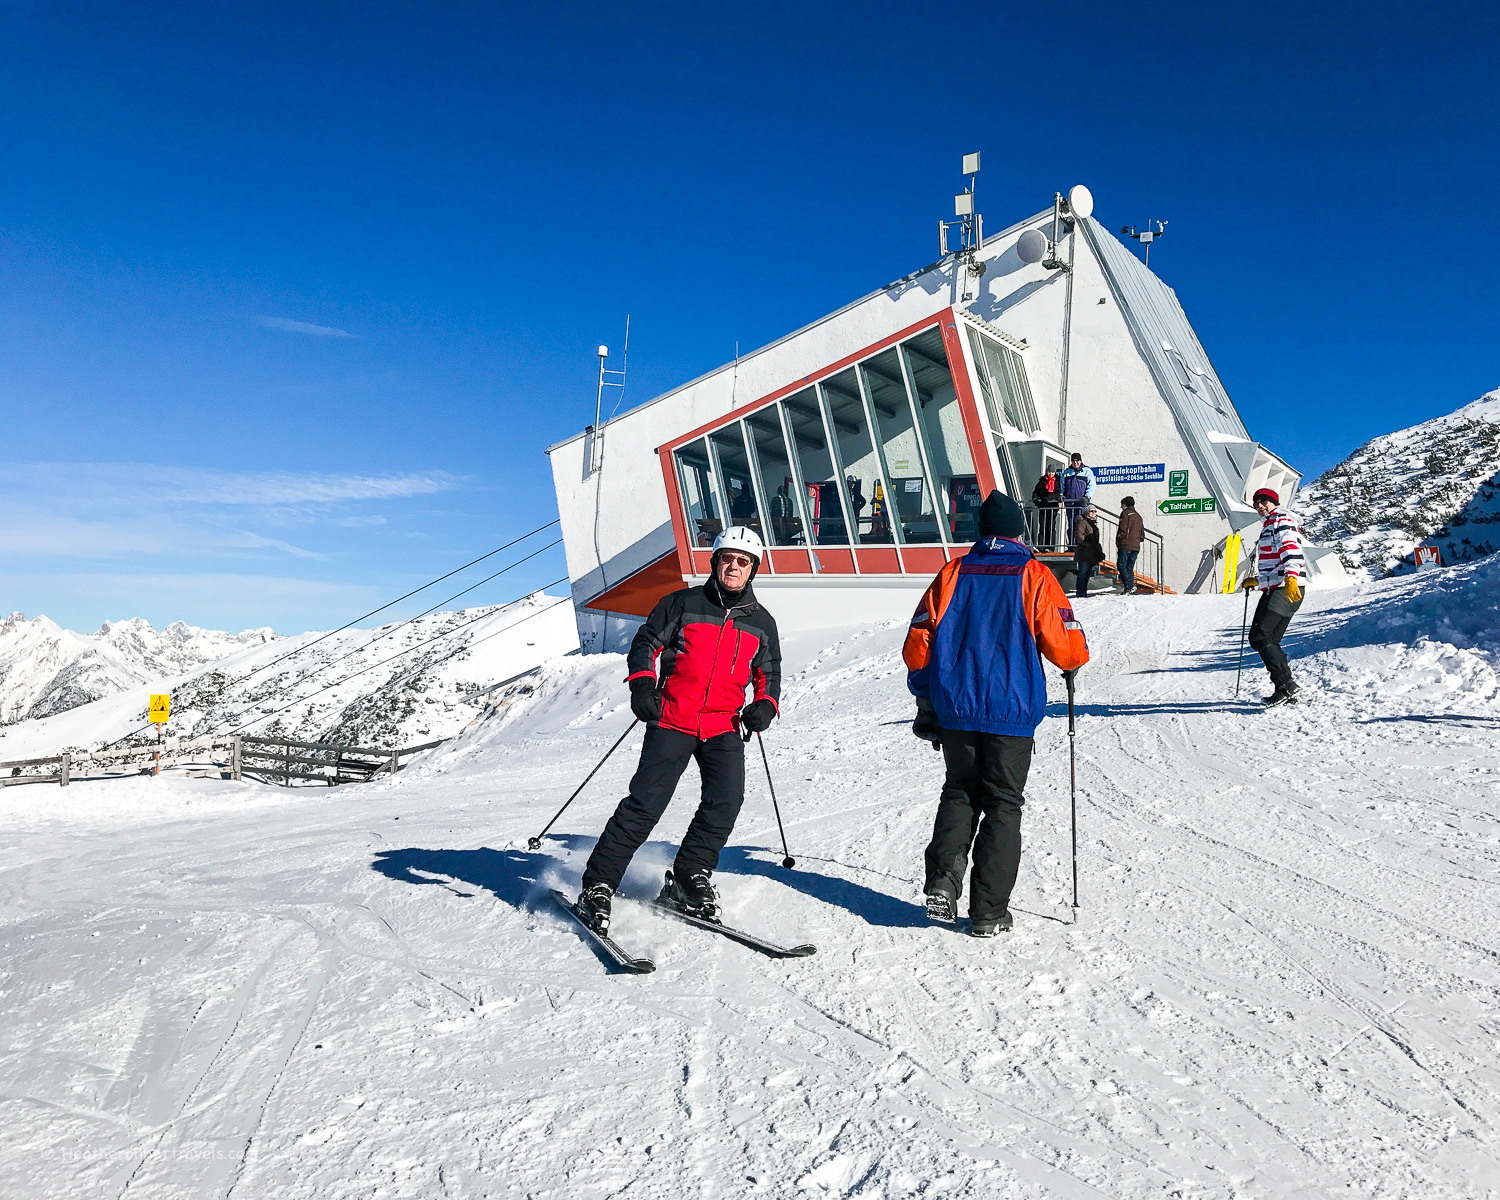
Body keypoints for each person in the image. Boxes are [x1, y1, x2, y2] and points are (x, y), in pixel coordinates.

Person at [575, 526, 781, 933]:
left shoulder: (761, 622)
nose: (734, 567)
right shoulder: (681, 603)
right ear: (715, 562)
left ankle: (689, 878)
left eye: (743, 561)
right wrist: (643, 685)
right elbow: (645, 643)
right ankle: (599, 884)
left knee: (725, 801)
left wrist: (764, 705)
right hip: (673, 717)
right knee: (646, 804)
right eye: (727, 559)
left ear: (753, 569)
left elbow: (768, 672)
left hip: (723, 724)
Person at [904, 492, 1090, 936]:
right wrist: (1075, 659)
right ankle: (988, 912)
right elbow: (1065, 646)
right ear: (1017, 531)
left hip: (956, 707)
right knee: (1003, 804)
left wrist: (925, 695)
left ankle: (943, 882)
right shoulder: (1034, 574)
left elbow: (918, 642)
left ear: (980, 530)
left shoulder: (951, 573)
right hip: (1010, 708)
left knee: (960, 792)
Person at [1245, 487, 1307, 708]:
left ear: (1274, 502)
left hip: (1285, 588)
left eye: (1264, 501)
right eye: (1256, 503)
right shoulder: (1270, 523)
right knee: (1269, 638)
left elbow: (1290, 547)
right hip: (1279, 586)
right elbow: (1276, 561)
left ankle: (1286, 685)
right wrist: (1259, 581)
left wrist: (1291, 576)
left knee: (1260, 636)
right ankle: (1285, 687)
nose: (1260, 506)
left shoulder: (1280, 519)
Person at [1060, 453, 1096, 548]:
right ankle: (1071, 546)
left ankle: (1080, 545)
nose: (1076, 463)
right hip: (1070, 503)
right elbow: (1062, 486)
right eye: (1074, 461)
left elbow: (1092, 486)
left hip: (1081, 504)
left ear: (1080, 461)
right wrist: (1061, 495)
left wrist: (1087, 497)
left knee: (1081, 525)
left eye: (1077, 461)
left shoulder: (1087, 471)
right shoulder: (1067, 472)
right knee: (1071, 525)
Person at [1072, 507, 1106, 597]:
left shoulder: (1092, 524)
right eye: (1091, 511)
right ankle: (1080, 592)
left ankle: (1083, 592)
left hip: (1091, 553)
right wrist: (1087, 544)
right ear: (1086, 512)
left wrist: (1098, 549)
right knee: (1082, 573)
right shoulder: (1082, 522)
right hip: (1084, 552)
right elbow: (1079, 535)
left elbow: (1095, 539)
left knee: (1087, 574)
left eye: (1095, 511)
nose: (1093, 513)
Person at [1115, 496, 1144, 593]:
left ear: (1125, 504)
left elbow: (1122, 528)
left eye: (1122, 504)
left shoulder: (1125, 513)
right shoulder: (1139, 516)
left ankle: (1129, 585)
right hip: (1136, 546)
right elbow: (1142, 534)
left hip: (1125, 544)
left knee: (1121, 565)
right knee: (1129, 567)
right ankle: (1129, 588)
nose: (1121, 507)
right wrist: (1137, 540)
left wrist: (1119, 539)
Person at [1031, 465, 1063, 549]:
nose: (1051, 474)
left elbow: (1057, 493)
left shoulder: (1057, 481)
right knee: (1042, 526)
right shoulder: (1042, 481)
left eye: (1052, 472)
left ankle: (1050, 547)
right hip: (1043, 506)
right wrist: (1035, 499)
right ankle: (1041, 546)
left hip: (1052, 506)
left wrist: (1048, 498)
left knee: (1050, 527)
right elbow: (1036, 492)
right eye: (1049, 472)